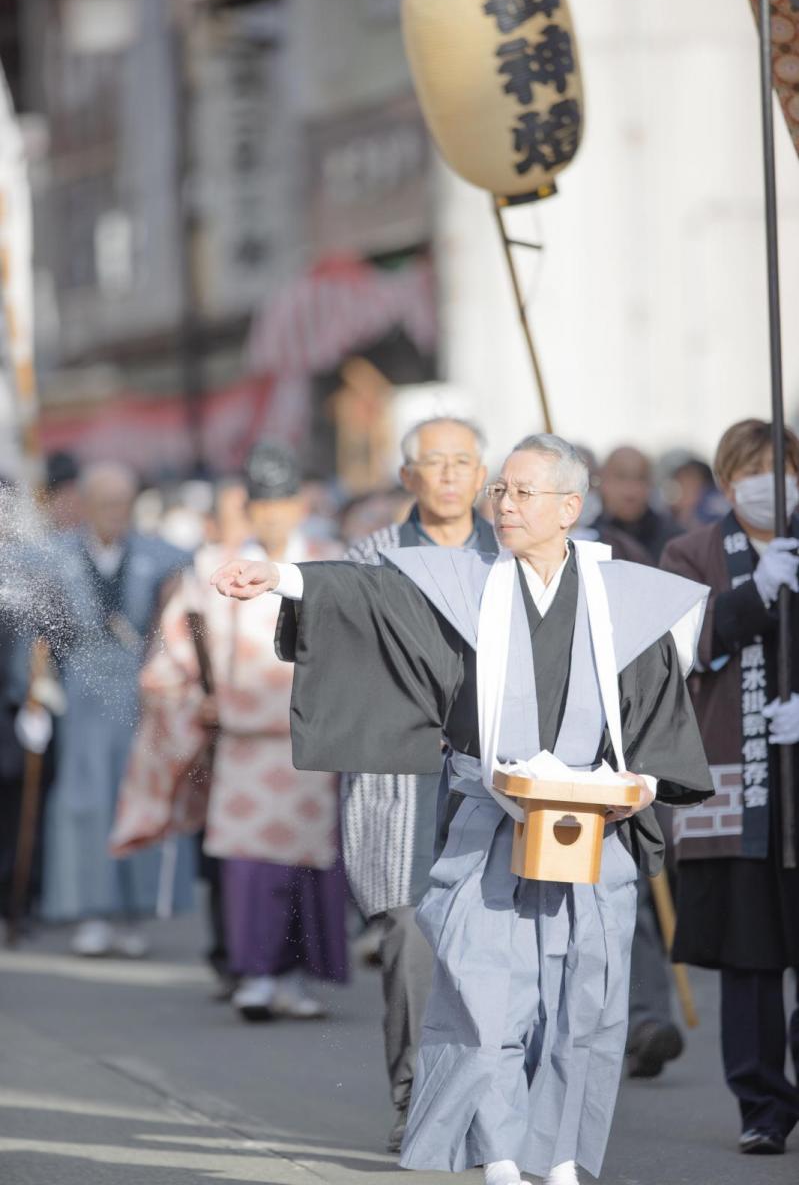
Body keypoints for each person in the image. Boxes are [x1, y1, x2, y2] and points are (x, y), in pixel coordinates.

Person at [213, 433, 712, 1185]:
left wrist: (640, 785)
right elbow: (370, 595)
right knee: (482, 990)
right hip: (488, 817)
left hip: (590, 826)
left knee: (584, 999)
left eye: (521, 493)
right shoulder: (467, 581)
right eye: (500, 493)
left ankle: (565, 1152)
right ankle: (499, 1149)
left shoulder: (623, 602)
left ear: (569, 509)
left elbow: (652, 720)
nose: (504, 506)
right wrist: (283, 578)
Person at [117, 443, 348, 1017]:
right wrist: (193, 697)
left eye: (283, 502)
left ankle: (295, 979)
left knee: (305, 863)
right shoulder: (211, 568)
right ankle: (253, 975)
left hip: (309, 742)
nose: (273, 514)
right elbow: (174, 651)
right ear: (249, 507)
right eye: (262, 504)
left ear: (299, 505)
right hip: (241, 742)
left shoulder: (330, 559)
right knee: (245, 865)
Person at [344, 417, 496, 1152]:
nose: (444, 474)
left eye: (459, 461)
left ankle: (487, 1101)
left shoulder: (509, 555)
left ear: (481, 473)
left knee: (489, 938)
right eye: (430, 462)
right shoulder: (373, 556)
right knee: (409, 932)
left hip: (493, 776)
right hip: (400, 778)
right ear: (406, 477)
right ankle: (413, 1097)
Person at [663, 418, 799, 1156]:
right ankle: (761, 1102)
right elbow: (682, 645)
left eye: (779, 468)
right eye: (748, 469)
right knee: (749, 954)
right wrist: (752, 599)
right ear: (723, 481)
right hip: (732, 776)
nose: (766, 482)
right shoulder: (692, 552)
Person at [41, 463, 193, 956]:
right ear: (83, 505)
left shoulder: (158, 553)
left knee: (139, 795)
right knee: (85, 801)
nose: (116, 514)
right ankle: (91, 911)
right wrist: (36, 689)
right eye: (106, 504)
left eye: (123, 504)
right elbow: (34, 635)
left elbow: (190, 575)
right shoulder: (55, 556)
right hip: (81, 693)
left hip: (139, 690)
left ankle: (135, 912)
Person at [598, 446, 684, 562]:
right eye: (621, 477)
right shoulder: (586, 539)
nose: (630, 490)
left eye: (640, 478)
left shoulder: (674, 543)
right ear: (603, 481)